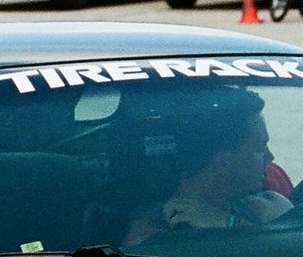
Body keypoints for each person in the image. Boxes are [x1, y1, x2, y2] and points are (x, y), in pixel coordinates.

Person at [124, 88, 292, 243]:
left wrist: (228, 223)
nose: (270, 157)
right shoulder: (152, 231)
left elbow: (295, 253)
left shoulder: (269, 206)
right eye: (260, 149)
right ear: (224, 163)